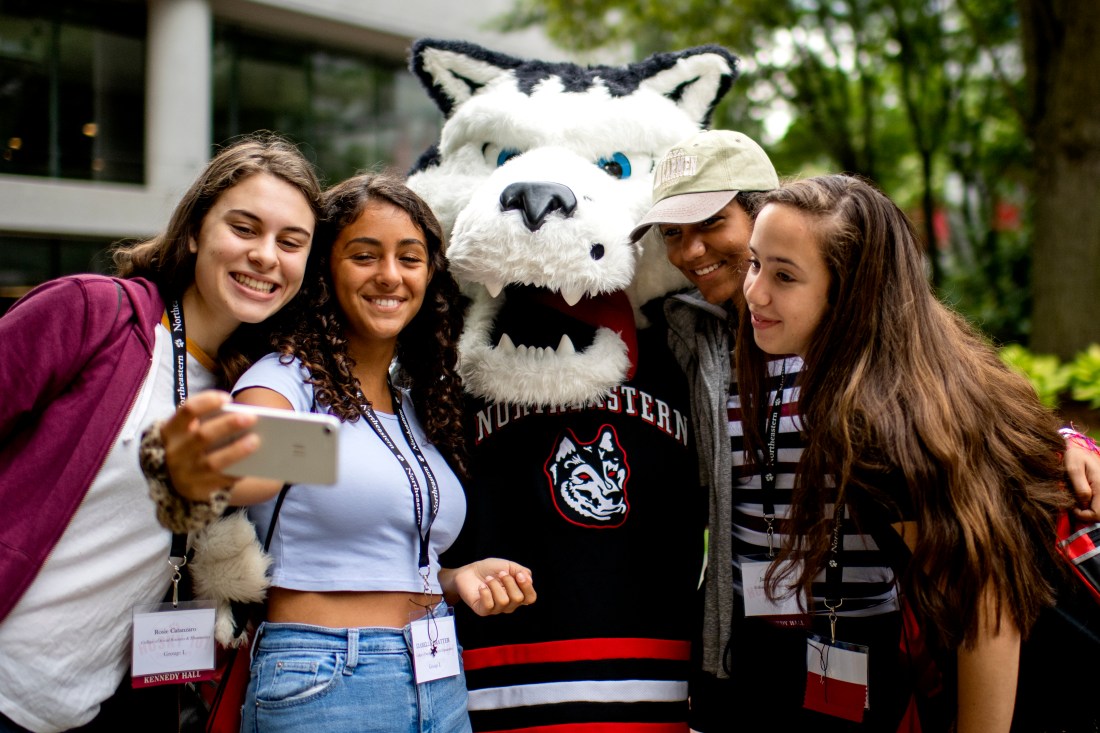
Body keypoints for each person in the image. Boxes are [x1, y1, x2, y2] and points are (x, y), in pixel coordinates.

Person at [633, 131, 1100, 731]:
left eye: (712, 223)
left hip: (876, 635)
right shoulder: (695, 339)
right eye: (672, 233)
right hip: (756, 638)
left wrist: (1068, 444)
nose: (693, 251)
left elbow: (981, 583)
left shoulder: (874, 382)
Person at [153, 172, 536, 733]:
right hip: (326, 678)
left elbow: (377, 546)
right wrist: (215, 457)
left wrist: (454, 580)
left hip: (438, 675)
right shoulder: (284, 381)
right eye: (364, 255)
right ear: (325, 271)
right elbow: (249, 469)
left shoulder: (413, 403)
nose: (390, 275)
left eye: (410, 257)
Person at [0, 133, 323, 733]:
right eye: (244, 228)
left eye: (291, 242)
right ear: (196, 230)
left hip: (89, 710)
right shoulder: (91, 313)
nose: (265, 256)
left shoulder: (256, 392)